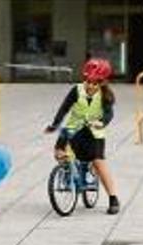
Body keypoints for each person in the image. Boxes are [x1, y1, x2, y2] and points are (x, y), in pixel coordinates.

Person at [45, 58, 121, 215]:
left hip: (94, 132)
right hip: (73, 129)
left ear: (103, 82)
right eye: (88, 81)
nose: (91, 85)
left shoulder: (105, 95)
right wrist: (54, 124)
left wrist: (102, 122)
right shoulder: (76, 90)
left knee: (98, 163)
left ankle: (113, 198)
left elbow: (109, 113)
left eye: (96, 82)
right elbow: (64, 108)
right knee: (59, 152)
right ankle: (67, 174)